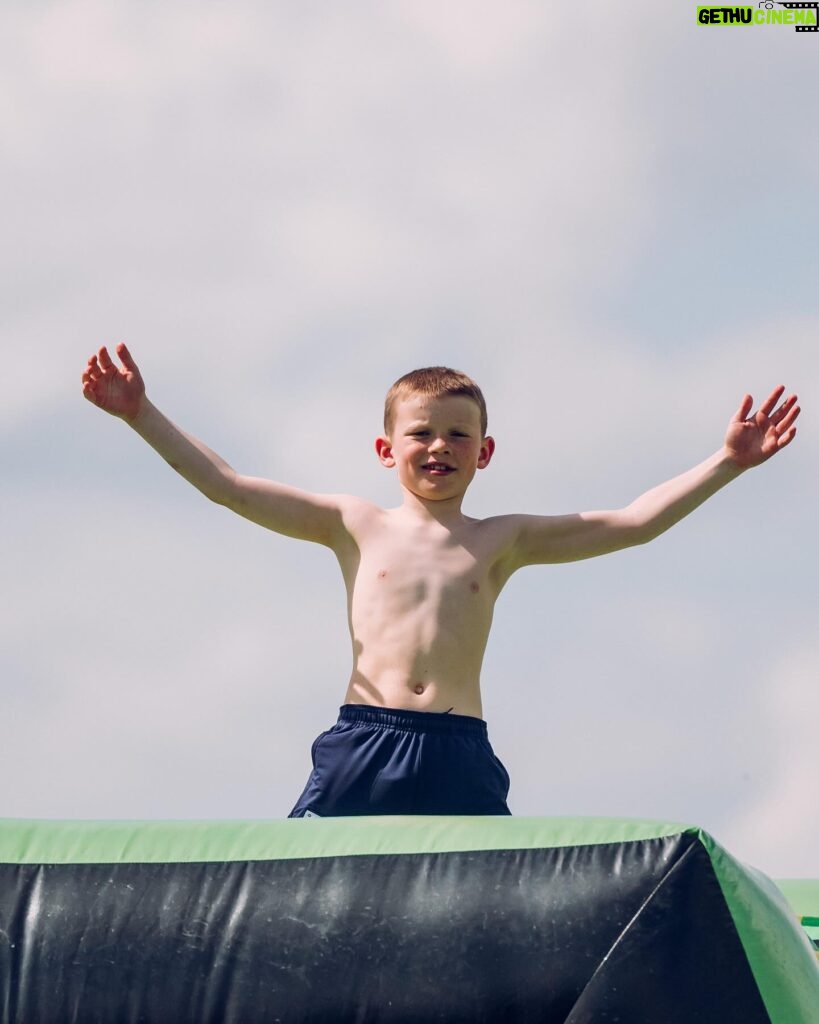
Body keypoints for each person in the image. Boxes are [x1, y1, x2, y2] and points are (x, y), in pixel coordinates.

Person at [82, 344, 800, 818]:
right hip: (366, 738)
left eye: (457, 435)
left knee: (488, 894)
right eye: (421, 432)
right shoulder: (352, 522)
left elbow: (634, 522)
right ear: (385, 448)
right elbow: (228, 486)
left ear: (483, 452)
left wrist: (727, 462)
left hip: (458, 747)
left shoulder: (502, 540)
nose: (438, 447)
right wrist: (141, 413)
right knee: (300, 877)